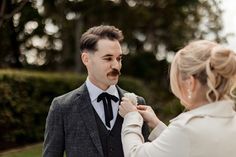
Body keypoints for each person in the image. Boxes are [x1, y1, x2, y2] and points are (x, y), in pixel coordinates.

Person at [43, 25, 149, 157]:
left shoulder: (137, 103)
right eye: (108, 58)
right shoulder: (62, 107)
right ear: (86, 59)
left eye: (119, 58)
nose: (116, 65)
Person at [119, 40, 236, 157]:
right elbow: (187, 146)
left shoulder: (186, 129)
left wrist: (131, 117)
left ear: (191, 83)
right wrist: (157, 125)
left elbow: (135, 154)